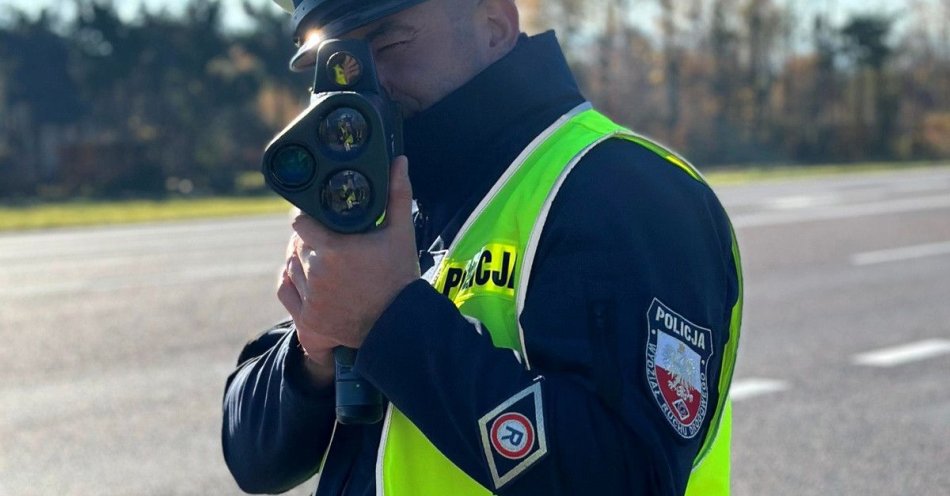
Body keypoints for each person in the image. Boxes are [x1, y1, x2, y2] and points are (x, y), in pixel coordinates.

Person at [222, 0, 743, 495]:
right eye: (335, 65)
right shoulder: (394, 194)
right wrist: (313, 351)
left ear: (495, 23)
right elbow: (254, 456)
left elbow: (627, 479)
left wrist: (389, 320)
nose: (363, 86)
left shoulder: (622, 189)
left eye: (387, 44)